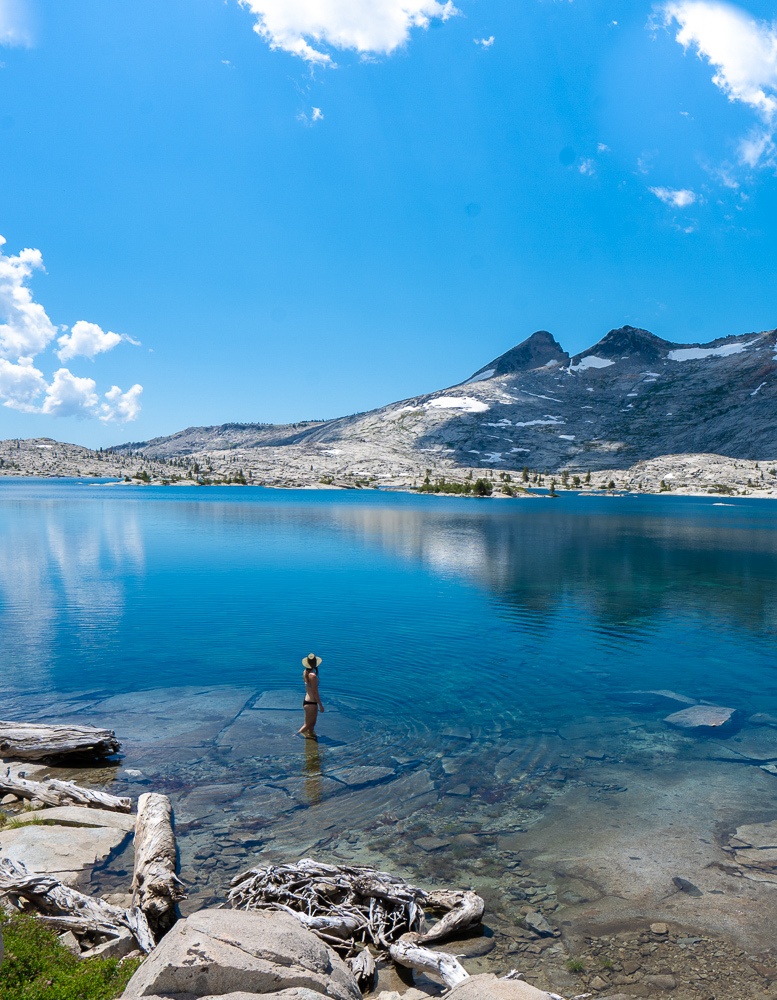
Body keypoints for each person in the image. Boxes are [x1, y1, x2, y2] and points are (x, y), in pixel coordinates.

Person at [299, 652, 324, 738]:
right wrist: (320, 705)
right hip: (312, 703)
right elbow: (315, 692)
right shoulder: (313, 676)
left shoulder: (305, 672)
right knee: (307, 725)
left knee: (311, 725)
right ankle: (294, 736)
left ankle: (310, 738)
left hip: (306, 701)